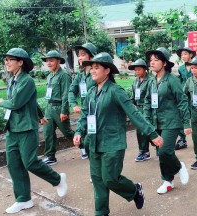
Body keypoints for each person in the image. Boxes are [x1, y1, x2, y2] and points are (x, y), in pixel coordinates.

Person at [73, 52, 163, 216]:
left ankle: (134, 190)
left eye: (96, 68)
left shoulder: (115, 91)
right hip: (93, 143)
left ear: (107, 70)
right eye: (91, 68)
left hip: (112, 143)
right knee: (98, 182)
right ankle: (101, 212)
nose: (92, 71)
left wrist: (152, 134)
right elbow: (85, 114)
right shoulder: (92, 92)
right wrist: (79, 131)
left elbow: (134, 113)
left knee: (110, 179)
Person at [0, 48, 67, 214]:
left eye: (10, 59)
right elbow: (32, 102)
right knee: (14, 165)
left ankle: (58, 179)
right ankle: (23, 199)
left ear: (20, 62)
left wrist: (1, 102)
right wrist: (41, 115)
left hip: (26, 128)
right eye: (6, 59)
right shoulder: (13, 80)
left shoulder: (26, 80)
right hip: (12, 128)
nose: (7, 62)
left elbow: (16, 103)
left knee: (30, 162)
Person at [143, 47, 191, 194]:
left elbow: (182, 101)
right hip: (157, 122)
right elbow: (147, 101)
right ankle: (168, 181)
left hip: (172, 121)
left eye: (156, 60)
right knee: (161, 154)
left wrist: (186, 123)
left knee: (165, 151)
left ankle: (179, 167)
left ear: (164, 63)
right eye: (150, 60)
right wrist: (146, 120)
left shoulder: (172, 80)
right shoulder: (152, 81)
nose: (152, 63)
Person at [41, 50, 74, 165]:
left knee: (67, 133)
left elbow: (66, 94)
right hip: (49, 107)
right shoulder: (50, 76)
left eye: (51, 60)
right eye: (47, 61)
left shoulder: (64, 75)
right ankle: (50, 156)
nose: (48, 63)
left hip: (59, 108)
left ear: (58, 61)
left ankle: (87, 147)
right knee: (47, 132)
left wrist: (64, 111)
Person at [68, 42, 97, 159]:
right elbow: (71, 91)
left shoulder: (96, 73)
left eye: (83, 54)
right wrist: (74, 104)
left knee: (94, 139)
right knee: (86, 138)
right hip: (85, 112)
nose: (79, 57)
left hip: (96, 111)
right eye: (78, 55)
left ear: (91, 56)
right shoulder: (80, 76)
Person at [128, 58, 153, 162]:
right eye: (135, 70)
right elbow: (133, 96)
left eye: (139, 69)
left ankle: (158, 147)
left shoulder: (151, 81)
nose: (137, 72)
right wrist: (131, 104)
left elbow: (151, 97)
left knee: (151, 129)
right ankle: (144, 151)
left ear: (145, 69)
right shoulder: (135, 82)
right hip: (138, 109)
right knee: (140, 132)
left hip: (148, 109)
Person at [174, 47, 196, 150]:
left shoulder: (196, 66)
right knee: (181, 116)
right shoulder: (181, 68)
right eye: (182, 55)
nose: (183, 56)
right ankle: (182, 139)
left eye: (185, 54)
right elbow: (180, 80)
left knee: (196, 116)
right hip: (184, 96)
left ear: (191, 55)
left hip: (195, 95)